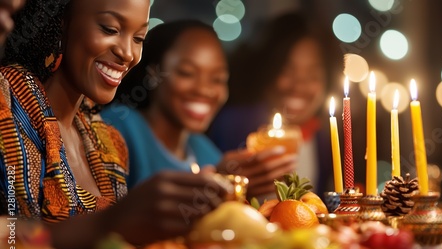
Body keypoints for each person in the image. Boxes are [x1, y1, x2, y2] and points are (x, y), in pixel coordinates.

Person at [0, 0, 230, 249]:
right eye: (110, 29)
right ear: (61, 21)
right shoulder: (7, 107)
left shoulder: (109, 142)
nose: (128, 53)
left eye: (139, 38)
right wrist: (108, 223)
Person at [101, 21, 297, 199]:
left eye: (218, 79)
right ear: (153, 73)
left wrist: (237, 190)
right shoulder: (117, 127)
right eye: (187, 73)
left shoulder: (204, 151)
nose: (204, 90)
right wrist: (216, 187)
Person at [208, 12, 342, 195]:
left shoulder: (326, 140)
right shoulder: (231, 125)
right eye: (287, 71)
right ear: (268, 71)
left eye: (313, 75)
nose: (299, 86)